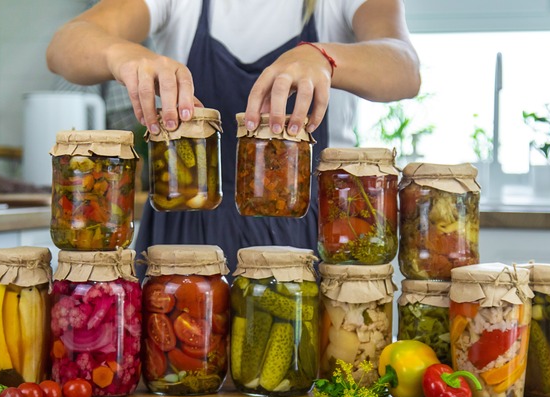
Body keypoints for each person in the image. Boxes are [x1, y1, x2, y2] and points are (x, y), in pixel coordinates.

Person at [46, 0, 421, 276]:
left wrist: (324, 58)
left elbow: (404, 66)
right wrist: (122, 54)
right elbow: (64, 45)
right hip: (183, 227)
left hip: (304, 229)